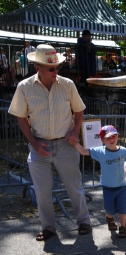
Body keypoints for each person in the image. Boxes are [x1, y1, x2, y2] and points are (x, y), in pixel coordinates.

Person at [8, 44, 91, 241]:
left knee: (74, 186)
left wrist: (74, 132)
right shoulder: (24, 87)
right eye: (51, 68)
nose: (56, 71)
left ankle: (84, 221)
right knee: (42, 191)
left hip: (65, 144)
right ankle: (48, 227)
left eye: (58, 67)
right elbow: (21, 117)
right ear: (38, 67)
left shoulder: (68, 85)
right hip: (39, 145)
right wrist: (35, 145)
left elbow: (79, 111)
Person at [73, 125, 126, 238]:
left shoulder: (123, 151)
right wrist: (75, 143)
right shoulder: (100, 151)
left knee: (122, 208)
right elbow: (84, 151)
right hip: (108, 187)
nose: (111, 139)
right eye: (108, 138)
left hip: (122, 186)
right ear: (102, 140)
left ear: (118, 137)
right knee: (110, 209)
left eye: (114, 136)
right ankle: (109, 218)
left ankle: (123, 227)